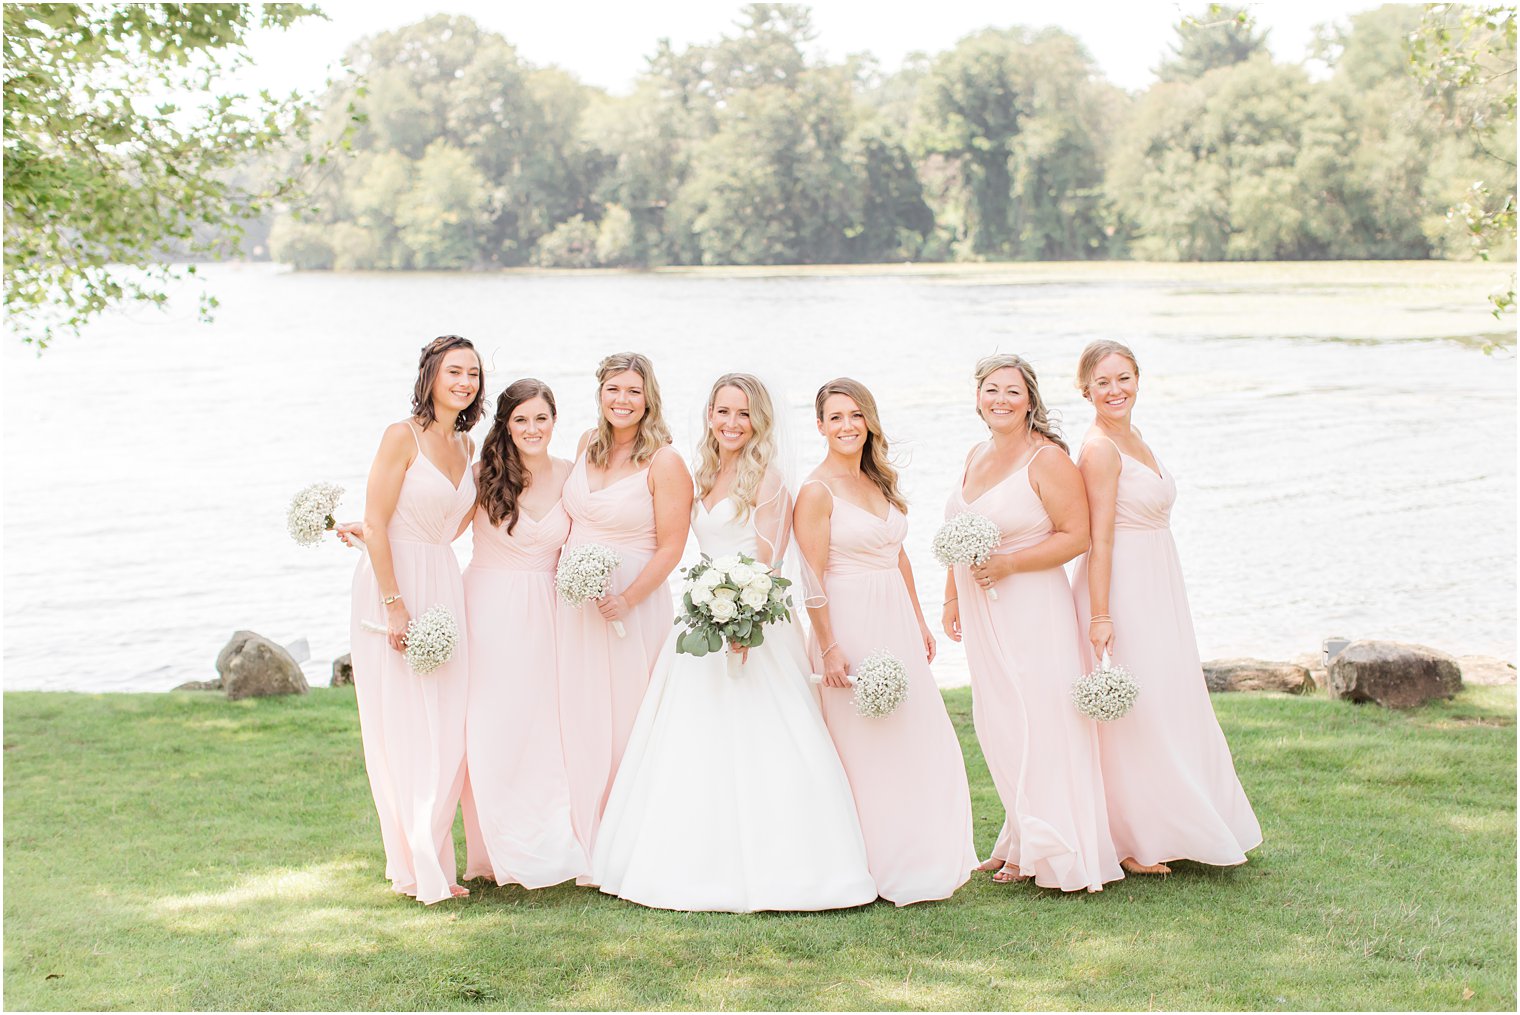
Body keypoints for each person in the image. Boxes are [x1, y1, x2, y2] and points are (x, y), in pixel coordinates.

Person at [591, 374, 877, 912]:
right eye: (722, 412)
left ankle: (788, 866)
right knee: (691, 739)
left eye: (742, 414)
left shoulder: (768, 481)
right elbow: (681, 543)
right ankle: (687, 860)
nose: (730, 423)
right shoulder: (700, 473)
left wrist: (745, 623)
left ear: (758, 421)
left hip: (756, 626)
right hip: (698, 622)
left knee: (767, 739)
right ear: (709, 416)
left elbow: (769, 564)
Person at [1071, 341, 1262, 873]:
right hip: (1123, 584)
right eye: (1103, 381)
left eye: (1124, 378)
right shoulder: (1100, 449)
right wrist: (1101, 614)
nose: (1115, 390)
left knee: (1170, 697)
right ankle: (1131, 839)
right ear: (1085, 388)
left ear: (1138, 380)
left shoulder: (1134, 437)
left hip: (1159, 580)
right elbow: (1099, 539)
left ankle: (1173, 822)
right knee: (1138, 705)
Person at [793, 377, 977, 906]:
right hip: (848, 624)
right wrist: (828, 646)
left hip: (894, 618)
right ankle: (871, 864)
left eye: (856, 415)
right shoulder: (816, 491)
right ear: (821, 426)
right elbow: (812, 577)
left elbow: (897, 555)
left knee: (915, 737)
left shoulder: (880, 482)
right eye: (835, 417)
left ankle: (919, 853)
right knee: (864, 746)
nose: (847, 426)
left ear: (869, 421)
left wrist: (918, 619)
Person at [943, 354, 1122, 892]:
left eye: (1012, 392)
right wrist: (951, 595)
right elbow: (959, 527)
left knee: (1040, 720)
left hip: (1031, 605)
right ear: (978, 398)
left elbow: (1077, 536)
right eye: (992, 390)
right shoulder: (975, 454)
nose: (1001, 400)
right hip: (980, 609)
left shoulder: (1047, 461)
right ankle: (1021, 835)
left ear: (1030, 401)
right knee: (998, 721)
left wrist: (1009, 563)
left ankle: (1052, 845)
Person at [347, 334, 482, 904]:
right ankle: (417, 865)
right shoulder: (400, 436)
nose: (465, 382)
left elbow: (450, 527)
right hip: (393, 588)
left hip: (443, 580)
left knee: (447, 723)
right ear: (430, 375)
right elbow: (377, 523)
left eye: (473, 374)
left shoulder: (467, 446)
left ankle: (431, 851)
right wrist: (394, 603)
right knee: (403, 724)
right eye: (455, 371)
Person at [558, 352, 692, 858]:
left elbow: (672, 546)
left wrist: (627, 600)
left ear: (649, 397)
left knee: (629, 714)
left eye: (633, 391)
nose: (622, 400)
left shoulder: (666, 461)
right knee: (580, 707)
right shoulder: (584, 446)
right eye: (613, 389)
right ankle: (581, 831)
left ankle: (630, 836)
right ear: (599, 395)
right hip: (576, 602)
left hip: (632, 605)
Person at [457, 378, 587, 888]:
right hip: (488, 611)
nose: (532, 429)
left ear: (554, 421)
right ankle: (494, 848)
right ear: (505, 425)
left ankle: (552, 840)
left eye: (541, 418)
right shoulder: (480, 476)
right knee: (494, 725)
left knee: (547, 726)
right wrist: (372, 528)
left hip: (551, 613)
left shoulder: (574, 477)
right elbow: (432, 527)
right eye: (520, 420)